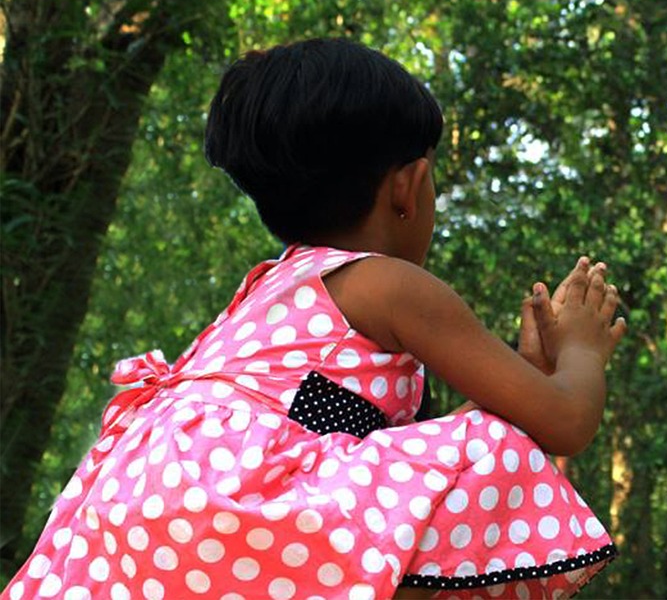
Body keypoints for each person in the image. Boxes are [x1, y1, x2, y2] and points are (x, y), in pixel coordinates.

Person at [2, 38, 626, 600]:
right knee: (499, 449)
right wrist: (580, 353)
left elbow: (383, 455)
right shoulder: (389, 285)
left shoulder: (270, 287)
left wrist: (521, 376)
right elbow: (565, 421)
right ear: (409, 187)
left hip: (139, 519)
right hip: (233, 518)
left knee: (461, 455)